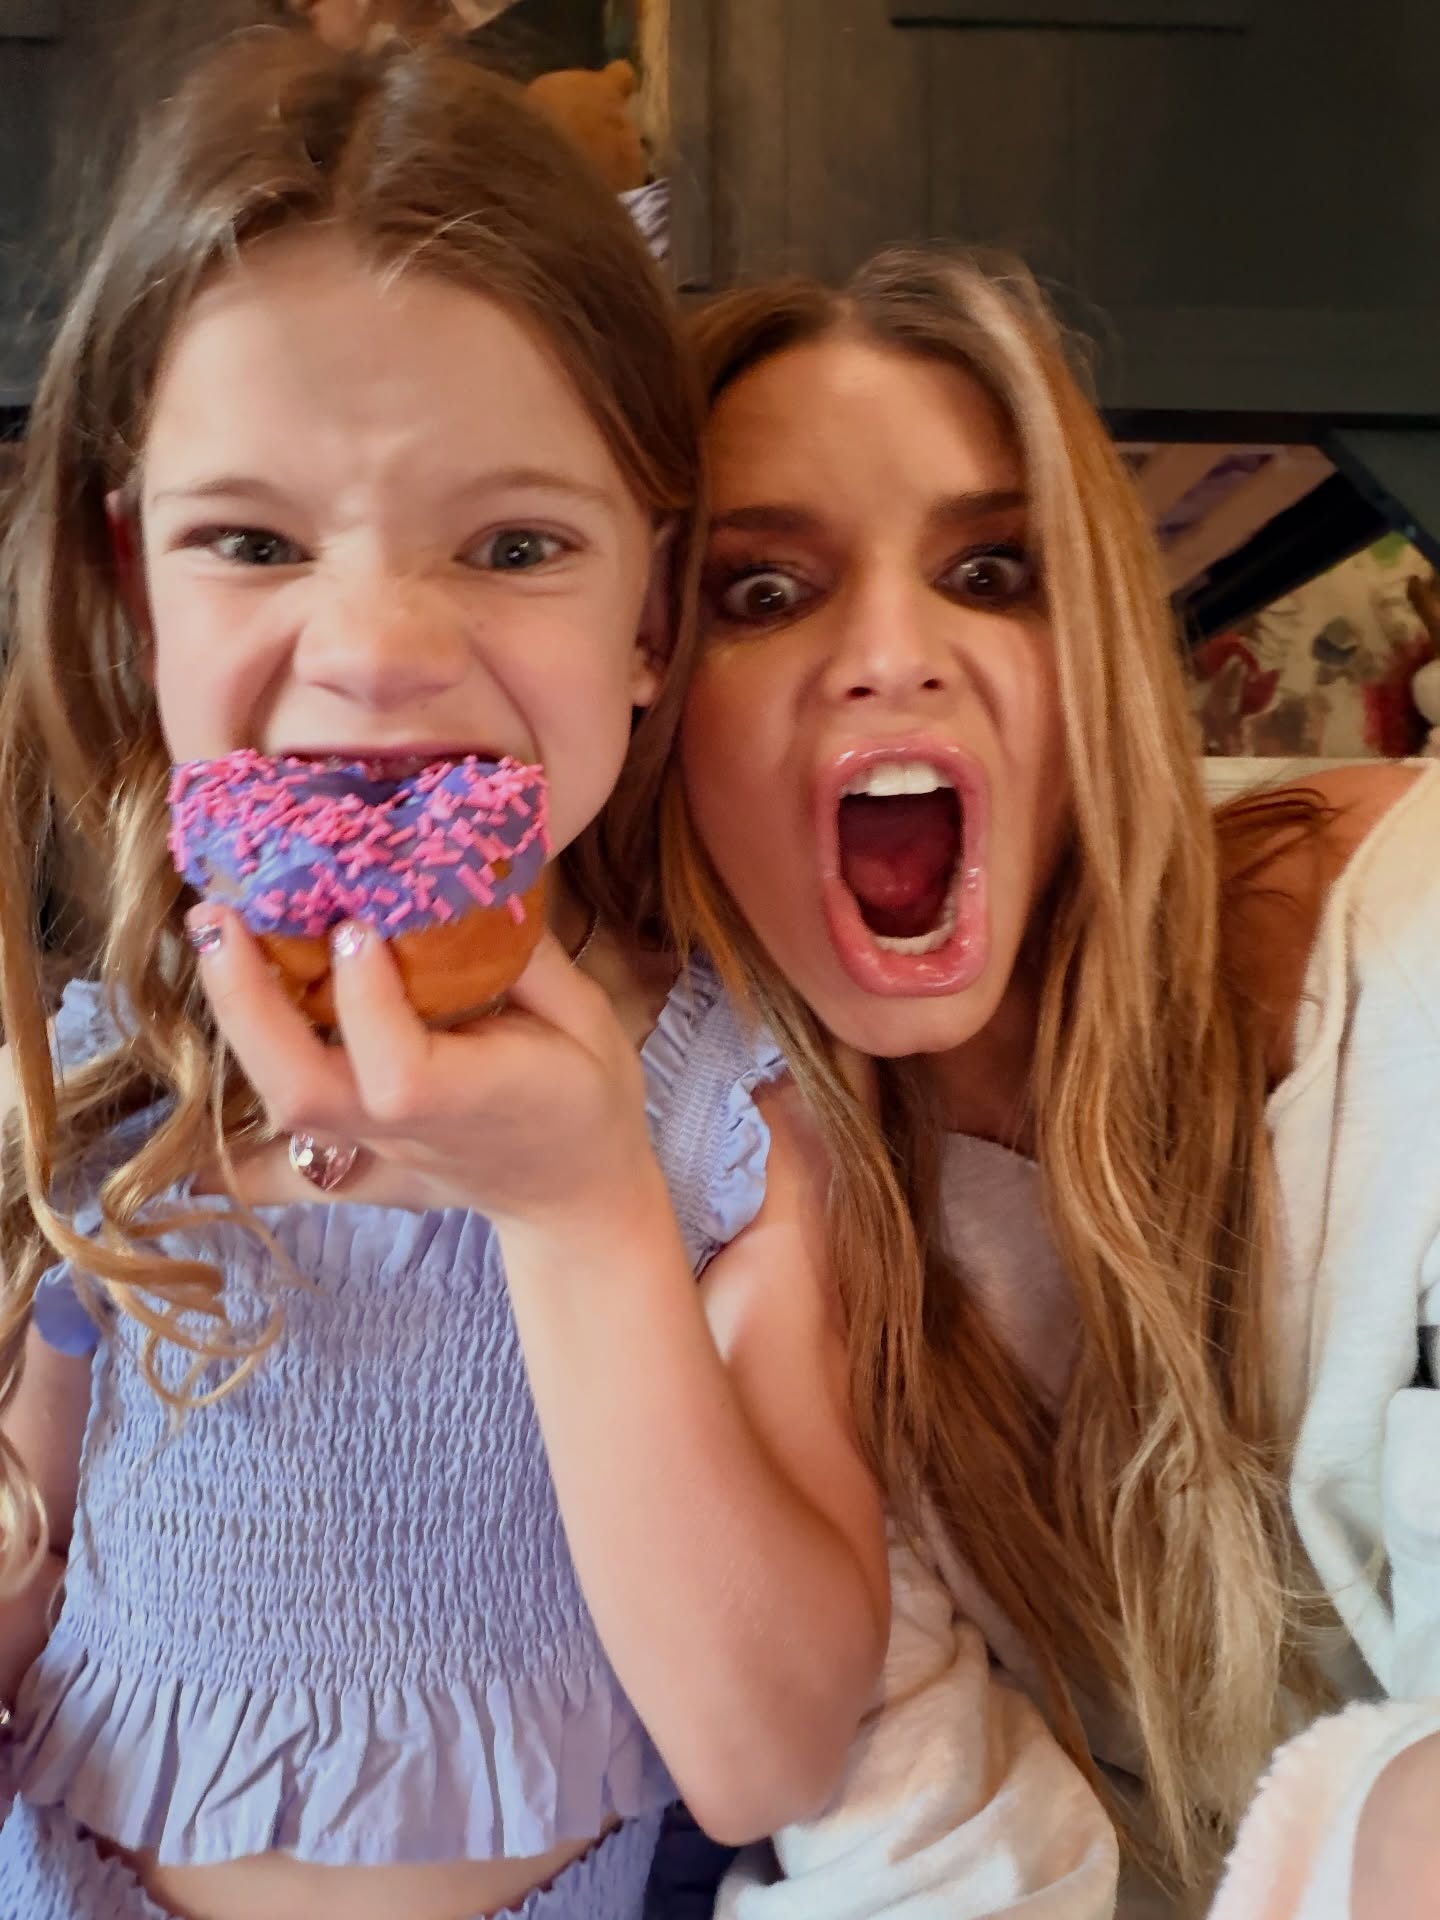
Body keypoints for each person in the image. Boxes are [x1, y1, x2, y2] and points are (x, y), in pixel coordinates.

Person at [0, 31, 893, 1920]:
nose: (378, 645)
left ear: (648, 612)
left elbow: (770, 1755)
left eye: (513, 544)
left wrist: (582, 1213)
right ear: (136, 592)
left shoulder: (722, 1124)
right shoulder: (95, 1092)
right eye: (251, 540)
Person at [650, 252, 1440, 1916]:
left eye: (991, 570)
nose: (893, 654)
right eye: (762, 590)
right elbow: (923, 1857)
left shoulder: (1410, 952)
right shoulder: (729, 1198)